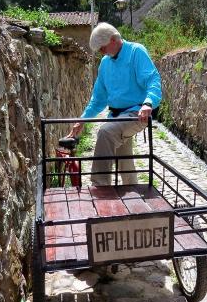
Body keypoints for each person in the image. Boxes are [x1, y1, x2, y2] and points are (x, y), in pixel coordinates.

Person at [68, 22, 162, 186]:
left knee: (105, 132)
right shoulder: (105, 63)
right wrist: (81, 120)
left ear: (113, 40)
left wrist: (149, 103)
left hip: (136, 114)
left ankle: (100, 185)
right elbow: (98, 99)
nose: (101, 52)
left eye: (102, 48)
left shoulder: (136, 52)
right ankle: (132, 191)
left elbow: (152, 80)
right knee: (123, 159)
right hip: (116, 116)